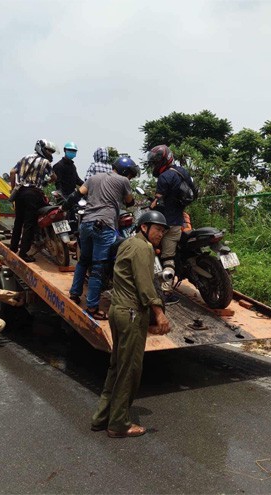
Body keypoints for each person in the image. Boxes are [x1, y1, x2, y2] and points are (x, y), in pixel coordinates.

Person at [91, 210, 171, 438]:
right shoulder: (143, 247)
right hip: (132, 312)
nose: (161, 234)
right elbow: (145, 285)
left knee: (117, 366)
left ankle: (101, 417)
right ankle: (118, 424)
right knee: (130, 370)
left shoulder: (127, 243)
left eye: (163, 231)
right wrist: (159, 313)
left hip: (119, 311)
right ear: (144, 227)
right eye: (157, 229)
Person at [67, 156, 140, 319]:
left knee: (84, 260)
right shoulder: (123, 181)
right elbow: (129, 202)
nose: (129, 178)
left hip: (86, 223)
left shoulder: (93, 178)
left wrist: (64, 207)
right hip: (105, 224)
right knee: (98, 267)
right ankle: (92, 307)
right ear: (125, 171)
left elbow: (77, 194)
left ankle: (74, 293)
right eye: (130, 174)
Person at [148, 144, 197, 304]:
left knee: (156, 254)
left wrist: (153, 205)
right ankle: (166, 290)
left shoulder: (164, 178)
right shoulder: (182, 172)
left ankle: (161, 291)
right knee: (169, 256)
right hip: (178, 221)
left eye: (156, 161)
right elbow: (193, 192)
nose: (155, 164)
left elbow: (160, 203)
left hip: (163, 223)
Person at [9, 139, 56, 262]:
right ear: (41, 148)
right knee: (30, 223)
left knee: (18, 221)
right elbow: (54, 177)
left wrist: (13, 188)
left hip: (20, 193)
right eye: (49, 151)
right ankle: (23, 253)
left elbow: (12, 172)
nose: (50, 154)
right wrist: (46, 181)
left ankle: (13, 248)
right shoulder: (46, 162)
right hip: (33, 194)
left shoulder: (25, 157)